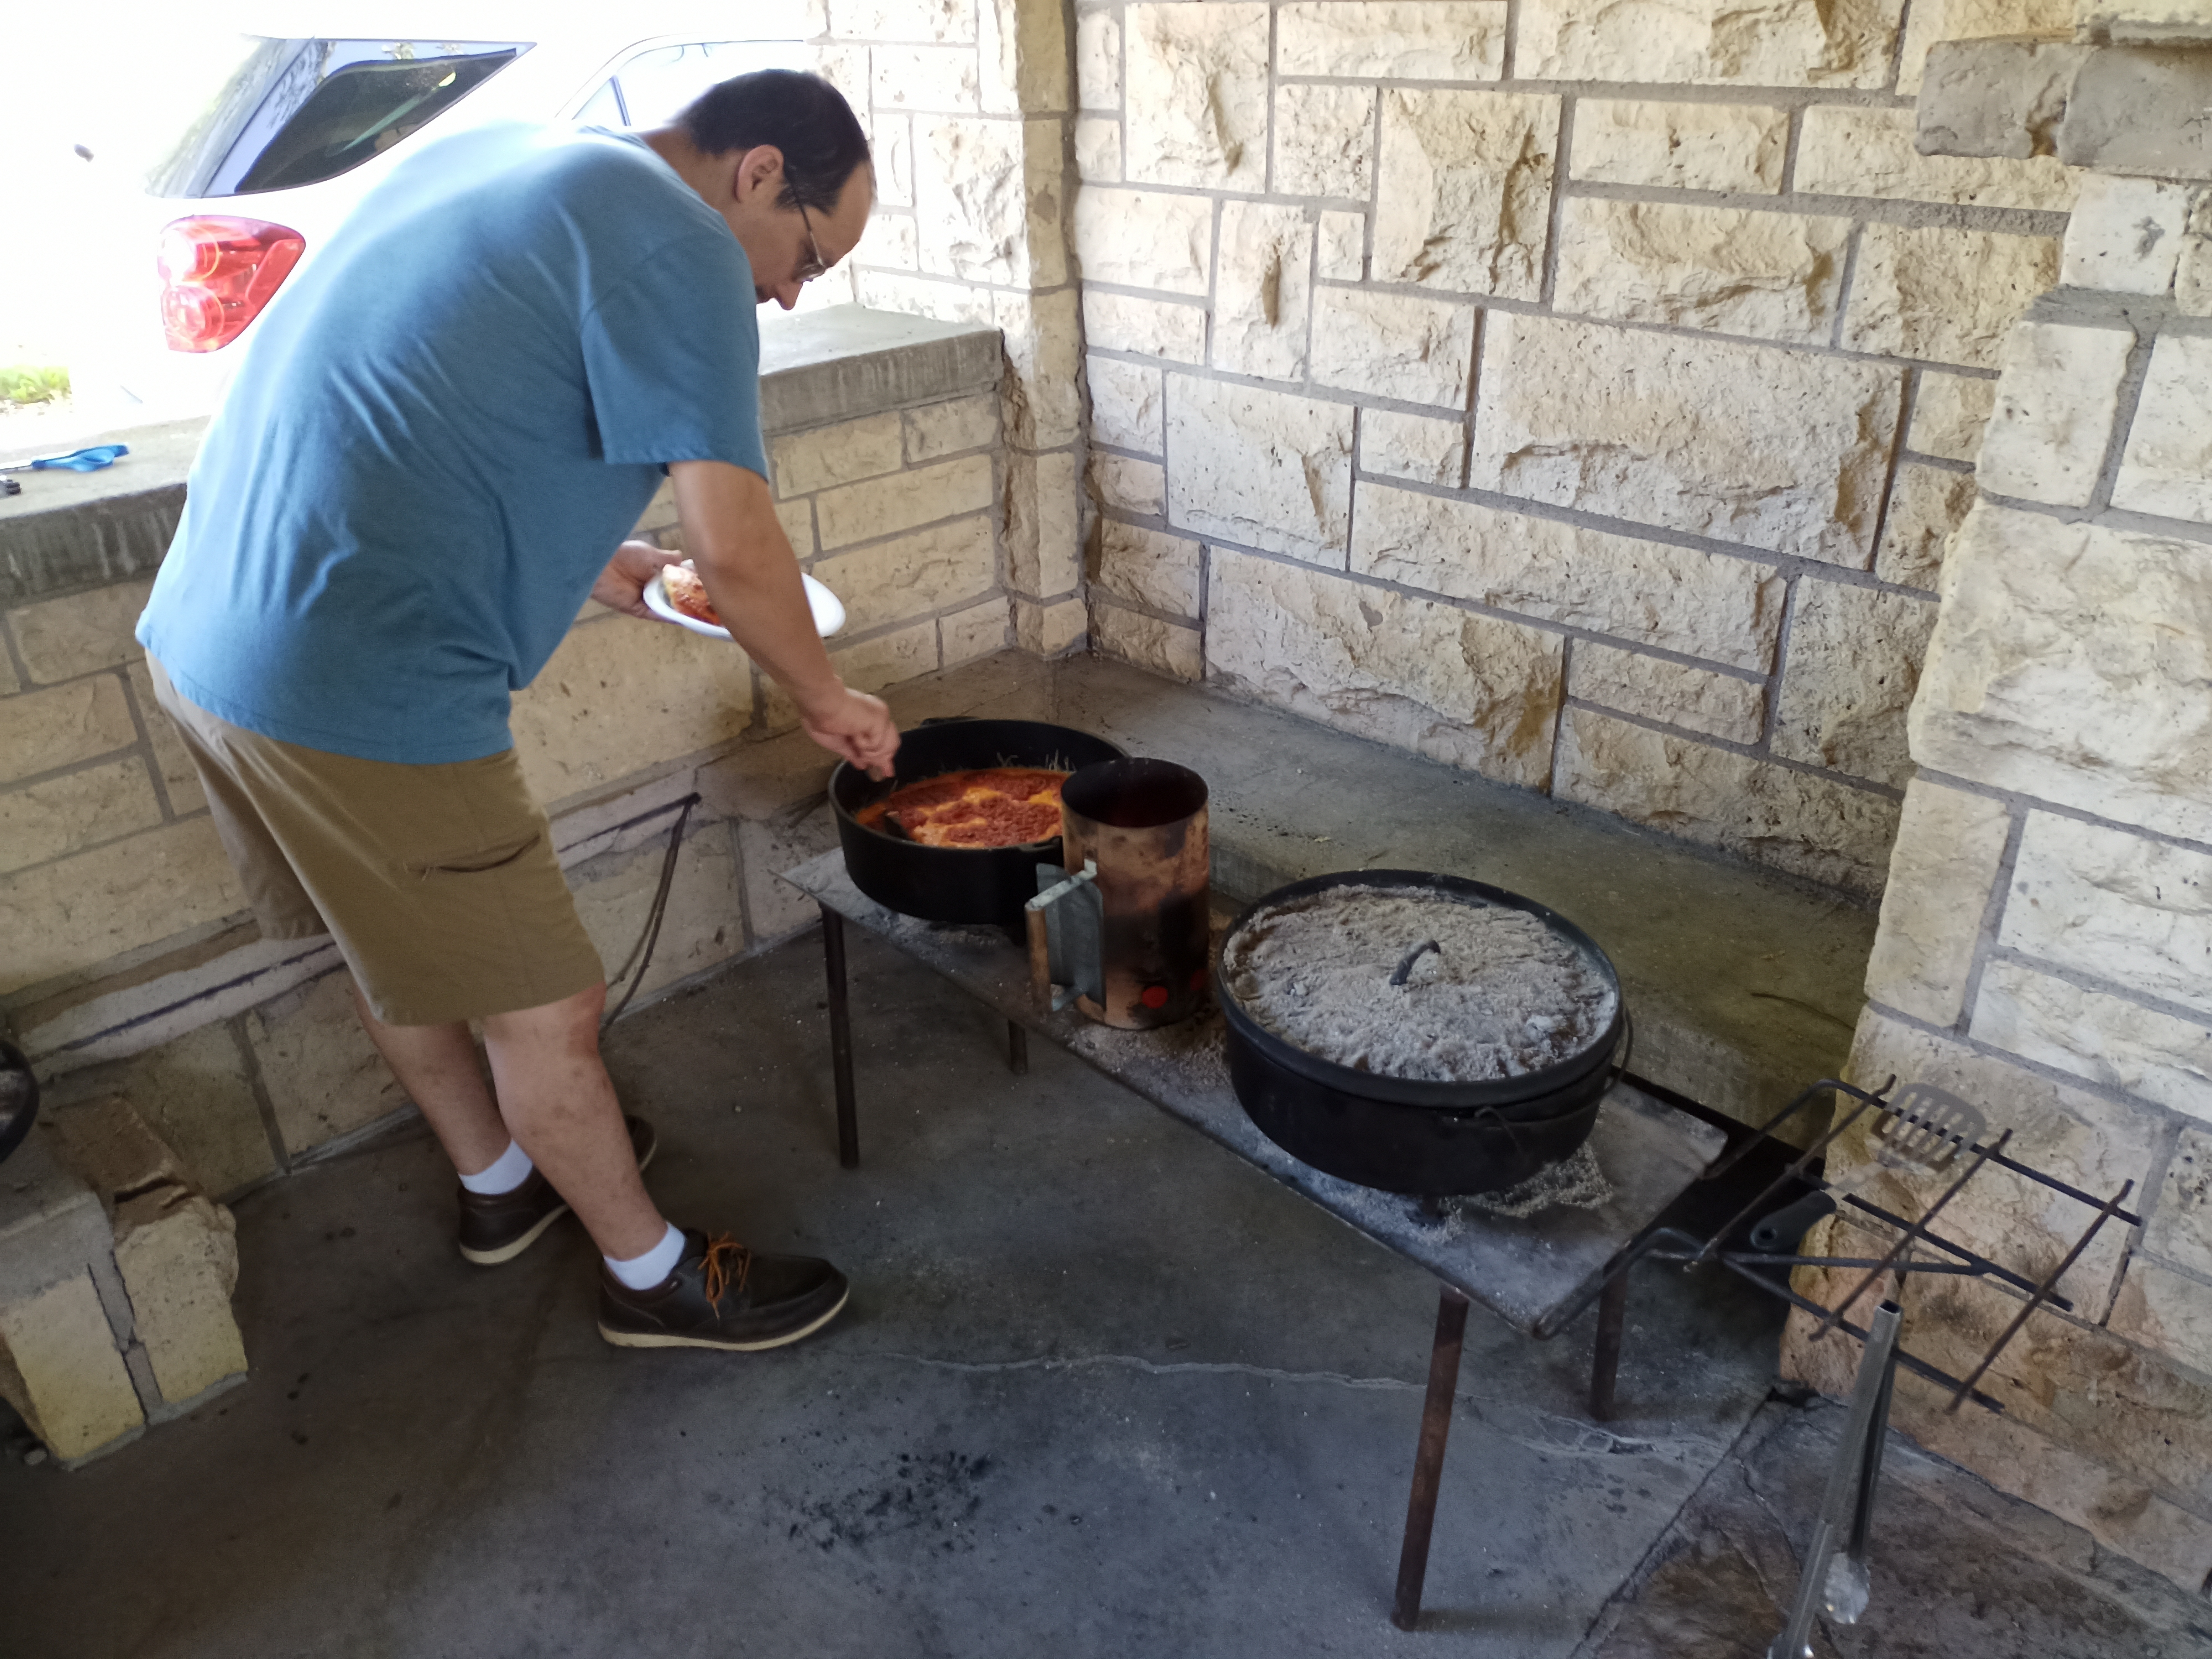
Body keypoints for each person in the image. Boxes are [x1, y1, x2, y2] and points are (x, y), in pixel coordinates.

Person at [134, 70, 900, 1352]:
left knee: (396, 945)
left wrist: (628, 568)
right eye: (808, 256)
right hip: (359, 684)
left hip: (216, 642)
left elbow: (438, 415)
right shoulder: (680, 244)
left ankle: (503, 1186)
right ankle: (648, 1276)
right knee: (550, 1010)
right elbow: (745, 541)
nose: (786, 292)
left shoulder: (507, 159)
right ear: (757, 174)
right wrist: (827, 701)